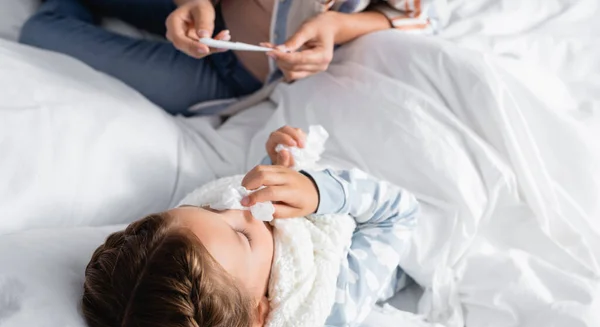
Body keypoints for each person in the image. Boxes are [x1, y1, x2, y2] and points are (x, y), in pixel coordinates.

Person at [81, 125, 419, 327]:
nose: (235, 204)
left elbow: (244, 206)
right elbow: (399, 214)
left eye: (209, 208)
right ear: (260, 315)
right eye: (242, 236)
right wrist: (319, 191)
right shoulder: (332, 302)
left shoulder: (232, 264)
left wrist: (277, 169)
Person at [19, 0, 446, 115]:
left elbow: (417, 18)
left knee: (40, 30)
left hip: (229, 76)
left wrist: (336, 27)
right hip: (203, 11)